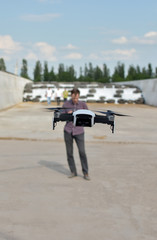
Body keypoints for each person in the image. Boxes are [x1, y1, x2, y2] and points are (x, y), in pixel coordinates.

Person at [62, 88, 90, 180]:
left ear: (78, 96)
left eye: (77, 98)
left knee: (82, 152)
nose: (75, 100)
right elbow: (61, 117)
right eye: (74, 98)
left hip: (79, 131)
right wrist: (68, 115)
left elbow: (88, 116)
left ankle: (85, 173)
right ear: (71, 96)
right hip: (68, 131)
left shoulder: (83, 105)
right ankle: (73, 171)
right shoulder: (66, 104)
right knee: (69, 153)